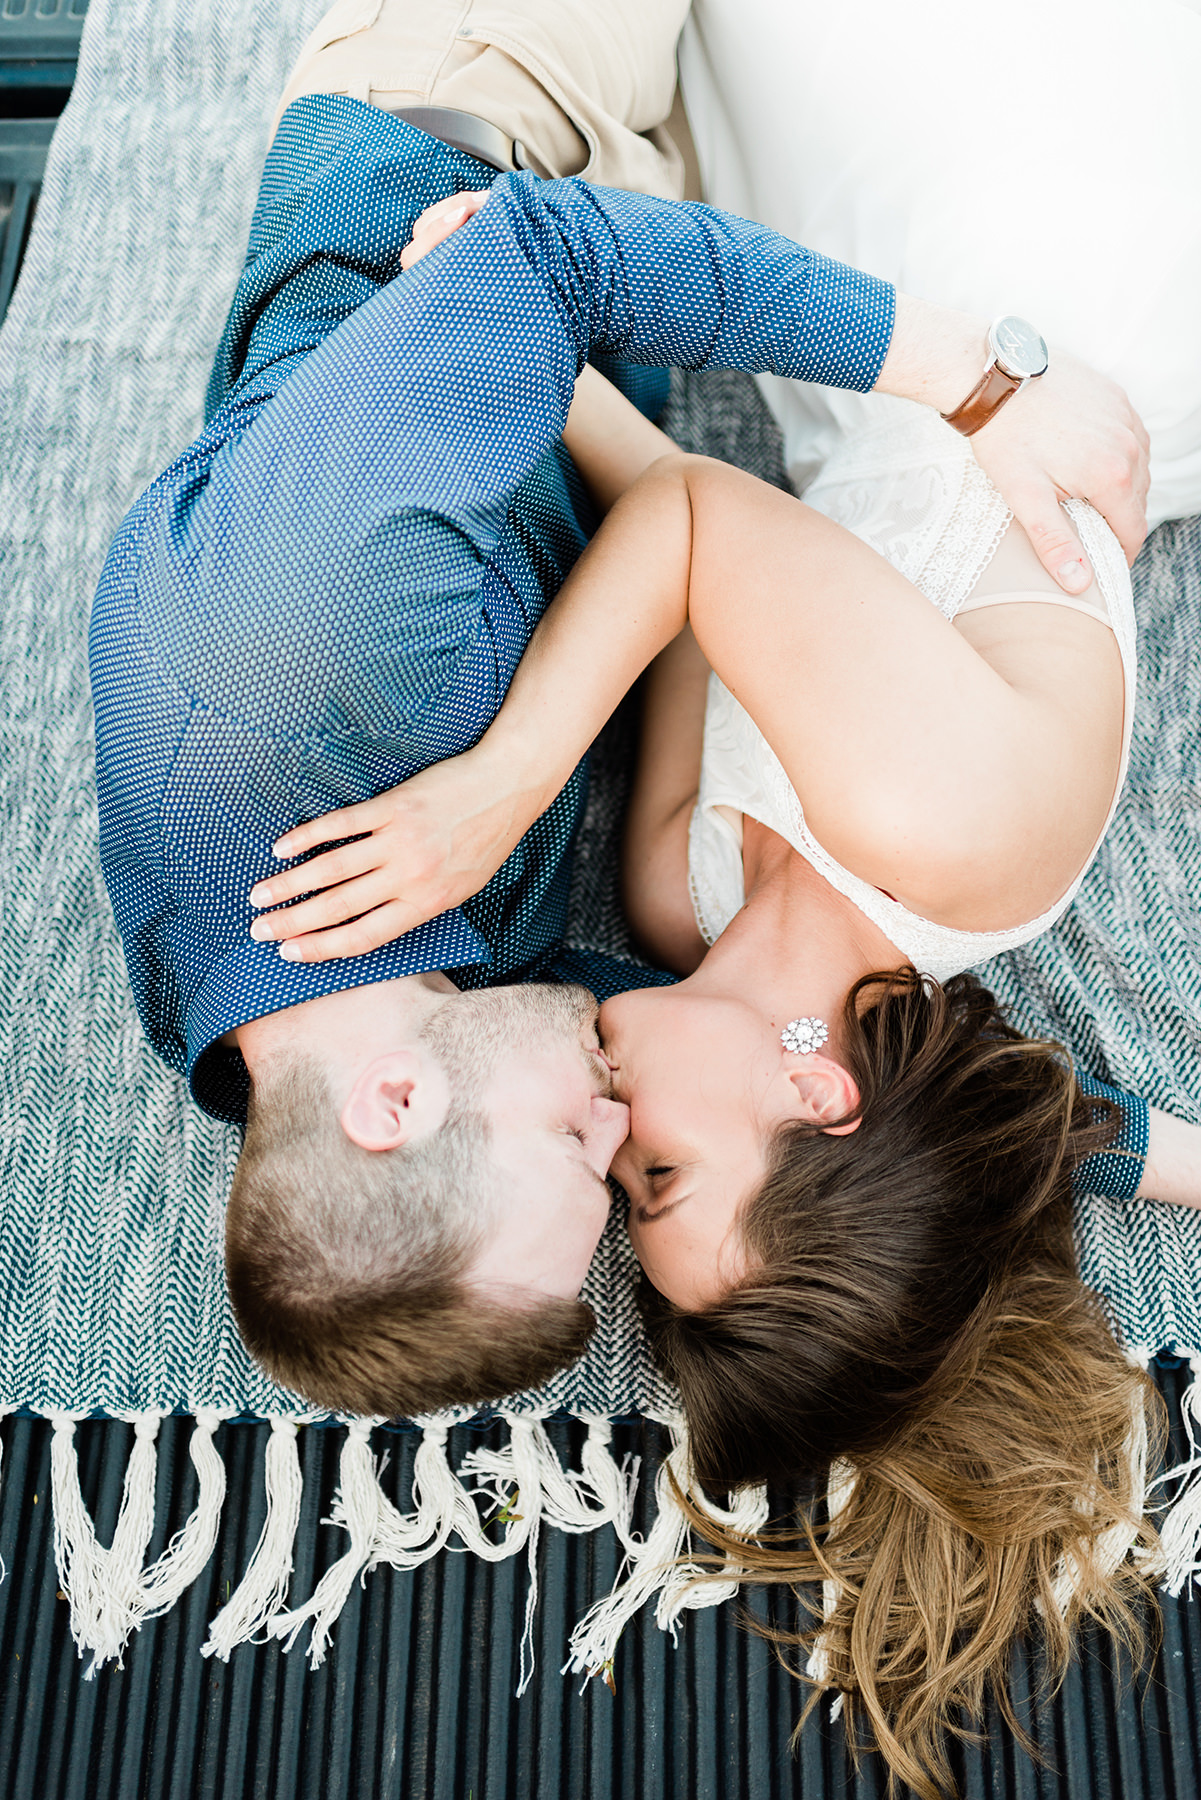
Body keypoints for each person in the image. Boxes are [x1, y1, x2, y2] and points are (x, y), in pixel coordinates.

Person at [93, 0, 1158, 1429]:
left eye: (590, 1160)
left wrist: (511, 781)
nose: (609, 1133)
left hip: (497, 102)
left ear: (394, 1109)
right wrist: (1150, 1156)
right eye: (644, 1175)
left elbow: (551, 270)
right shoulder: (359, 1013)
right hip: (660, 313)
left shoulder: (276, 662)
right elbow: (882, 1129)